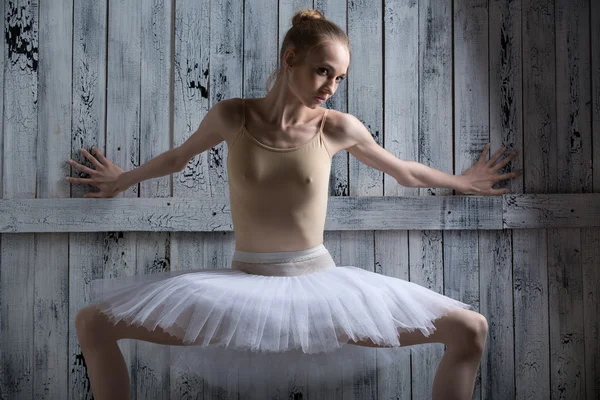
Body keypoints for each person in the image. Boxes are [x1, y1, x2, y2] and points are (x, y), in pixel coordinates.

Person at [67, 9, 520, 400]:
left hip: (319, 289)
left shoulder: (337, 127)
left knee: (470, 328)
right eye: (323, 71)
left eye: (339, 77)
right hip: (242, 288)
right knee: (93, 323)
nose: (331, 87)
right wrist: (120, 181)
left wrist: (463, 182)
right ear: (290, 60)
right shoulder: (233, 116)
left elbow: (403, 170)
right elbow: (176, 157)